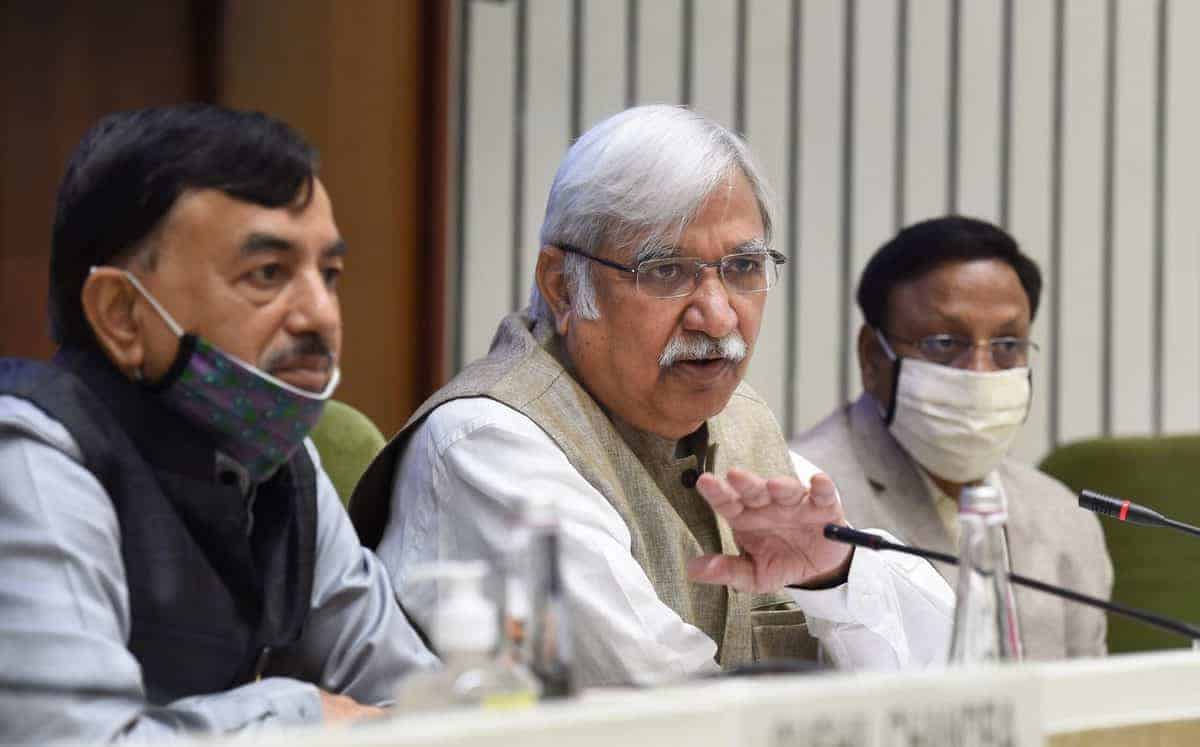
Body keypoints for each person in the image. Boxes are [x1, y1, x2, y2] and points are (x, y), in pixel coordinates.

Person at [349, 105, 953, 688]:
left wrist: (833, 577)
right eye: (665, 271)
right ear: (562, 287)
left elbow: (952, 673)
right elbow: (662, 712)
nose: (718, 317)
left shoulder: (741, 426)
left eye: (743, 267)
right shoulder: (489, 447)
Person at [0, 106, 437, 744]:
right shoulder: (33, 457)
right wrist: (301, 714)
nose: (321, 315)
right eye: (268, 274)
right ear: (122, 314)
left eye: (329, 275)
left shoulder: (280, 459)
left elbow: (424, 704)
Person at [792, 215, 1113, 659]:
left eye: (1007, 345)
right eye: (944, 343)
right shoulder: (800, 501)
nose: (979, 372)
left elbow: (1090, 699)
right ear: (872, 357)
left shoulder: (1063, 518)